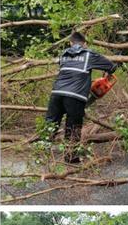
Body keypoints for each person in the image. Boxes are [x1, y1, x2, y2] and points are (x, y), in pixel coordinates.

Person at [45, 31, 117, 162]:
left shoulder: (63, 55)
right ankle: (71, 158)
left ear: (70, 43)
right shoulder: (88, 54)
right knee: (73, 127)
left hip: (56, 93)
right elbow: (111, 66)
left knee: (51, 124)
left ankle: (41, 154)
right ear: (84, 44)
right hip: (75, 96)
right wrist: (105, 74)